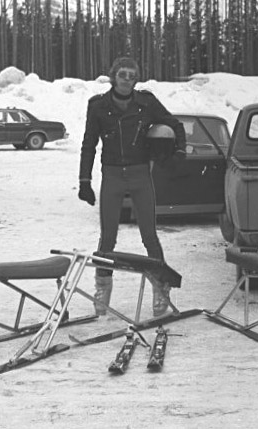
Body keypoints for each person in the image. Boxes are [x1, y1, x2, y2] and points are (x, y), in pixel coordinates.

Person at [78, 56, 187, 318]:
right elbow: (89, 144)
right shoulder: (98, 106)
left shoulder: (146, 103)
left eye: (131, 75)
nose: (127, 79)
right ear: (113, 76)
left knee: (149, 235)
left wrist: (179, 152)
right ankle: (103, 286)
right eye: (122, 74)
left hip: (140, 174)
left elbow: (176, 125)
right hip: (112, 175)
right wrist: (84, 181)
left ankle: (161, 287)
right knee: (108, 238)